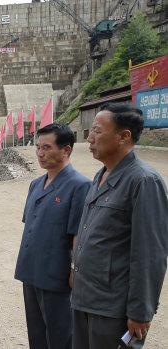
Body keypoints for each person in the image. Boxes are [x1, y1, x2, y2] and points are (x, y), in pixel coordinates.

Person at [71, 103, 168, 348]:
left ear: (124, 136)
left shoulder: (144, 181)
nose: (89, 138)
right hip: (86, 298)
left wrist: (140, 310)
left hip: (112, 307)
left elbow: (150, 253)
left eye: (97, 131)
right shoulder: (101, 175)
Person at [14, 123, 91, 349]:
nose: (40, 153)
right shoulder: (36, 184)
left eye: (47, 147)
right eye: (38, 147)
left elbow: (79, 234)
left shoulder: (80, 186)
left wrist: (75, 271)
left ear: (66, 150)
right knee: (36, 335)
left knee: (60, 336)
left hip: (56, 276)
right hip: (31, 272)